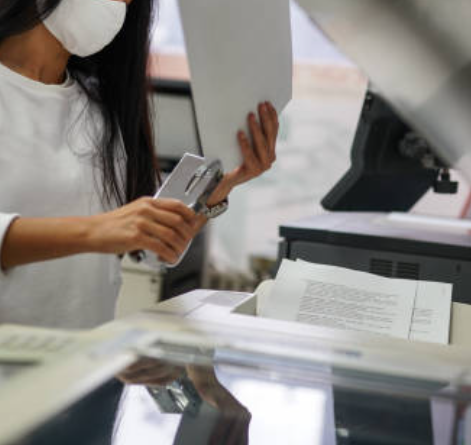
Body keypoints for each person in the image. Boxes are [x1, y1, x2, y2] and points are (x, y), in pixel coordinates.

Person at [0, 0, 279, 328]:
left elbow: (144, 254)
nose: (120, 6)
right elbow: (107, 231)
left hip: (80, 366)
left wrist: (218, 187)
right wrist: (96, 230)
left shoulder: (100, 112)